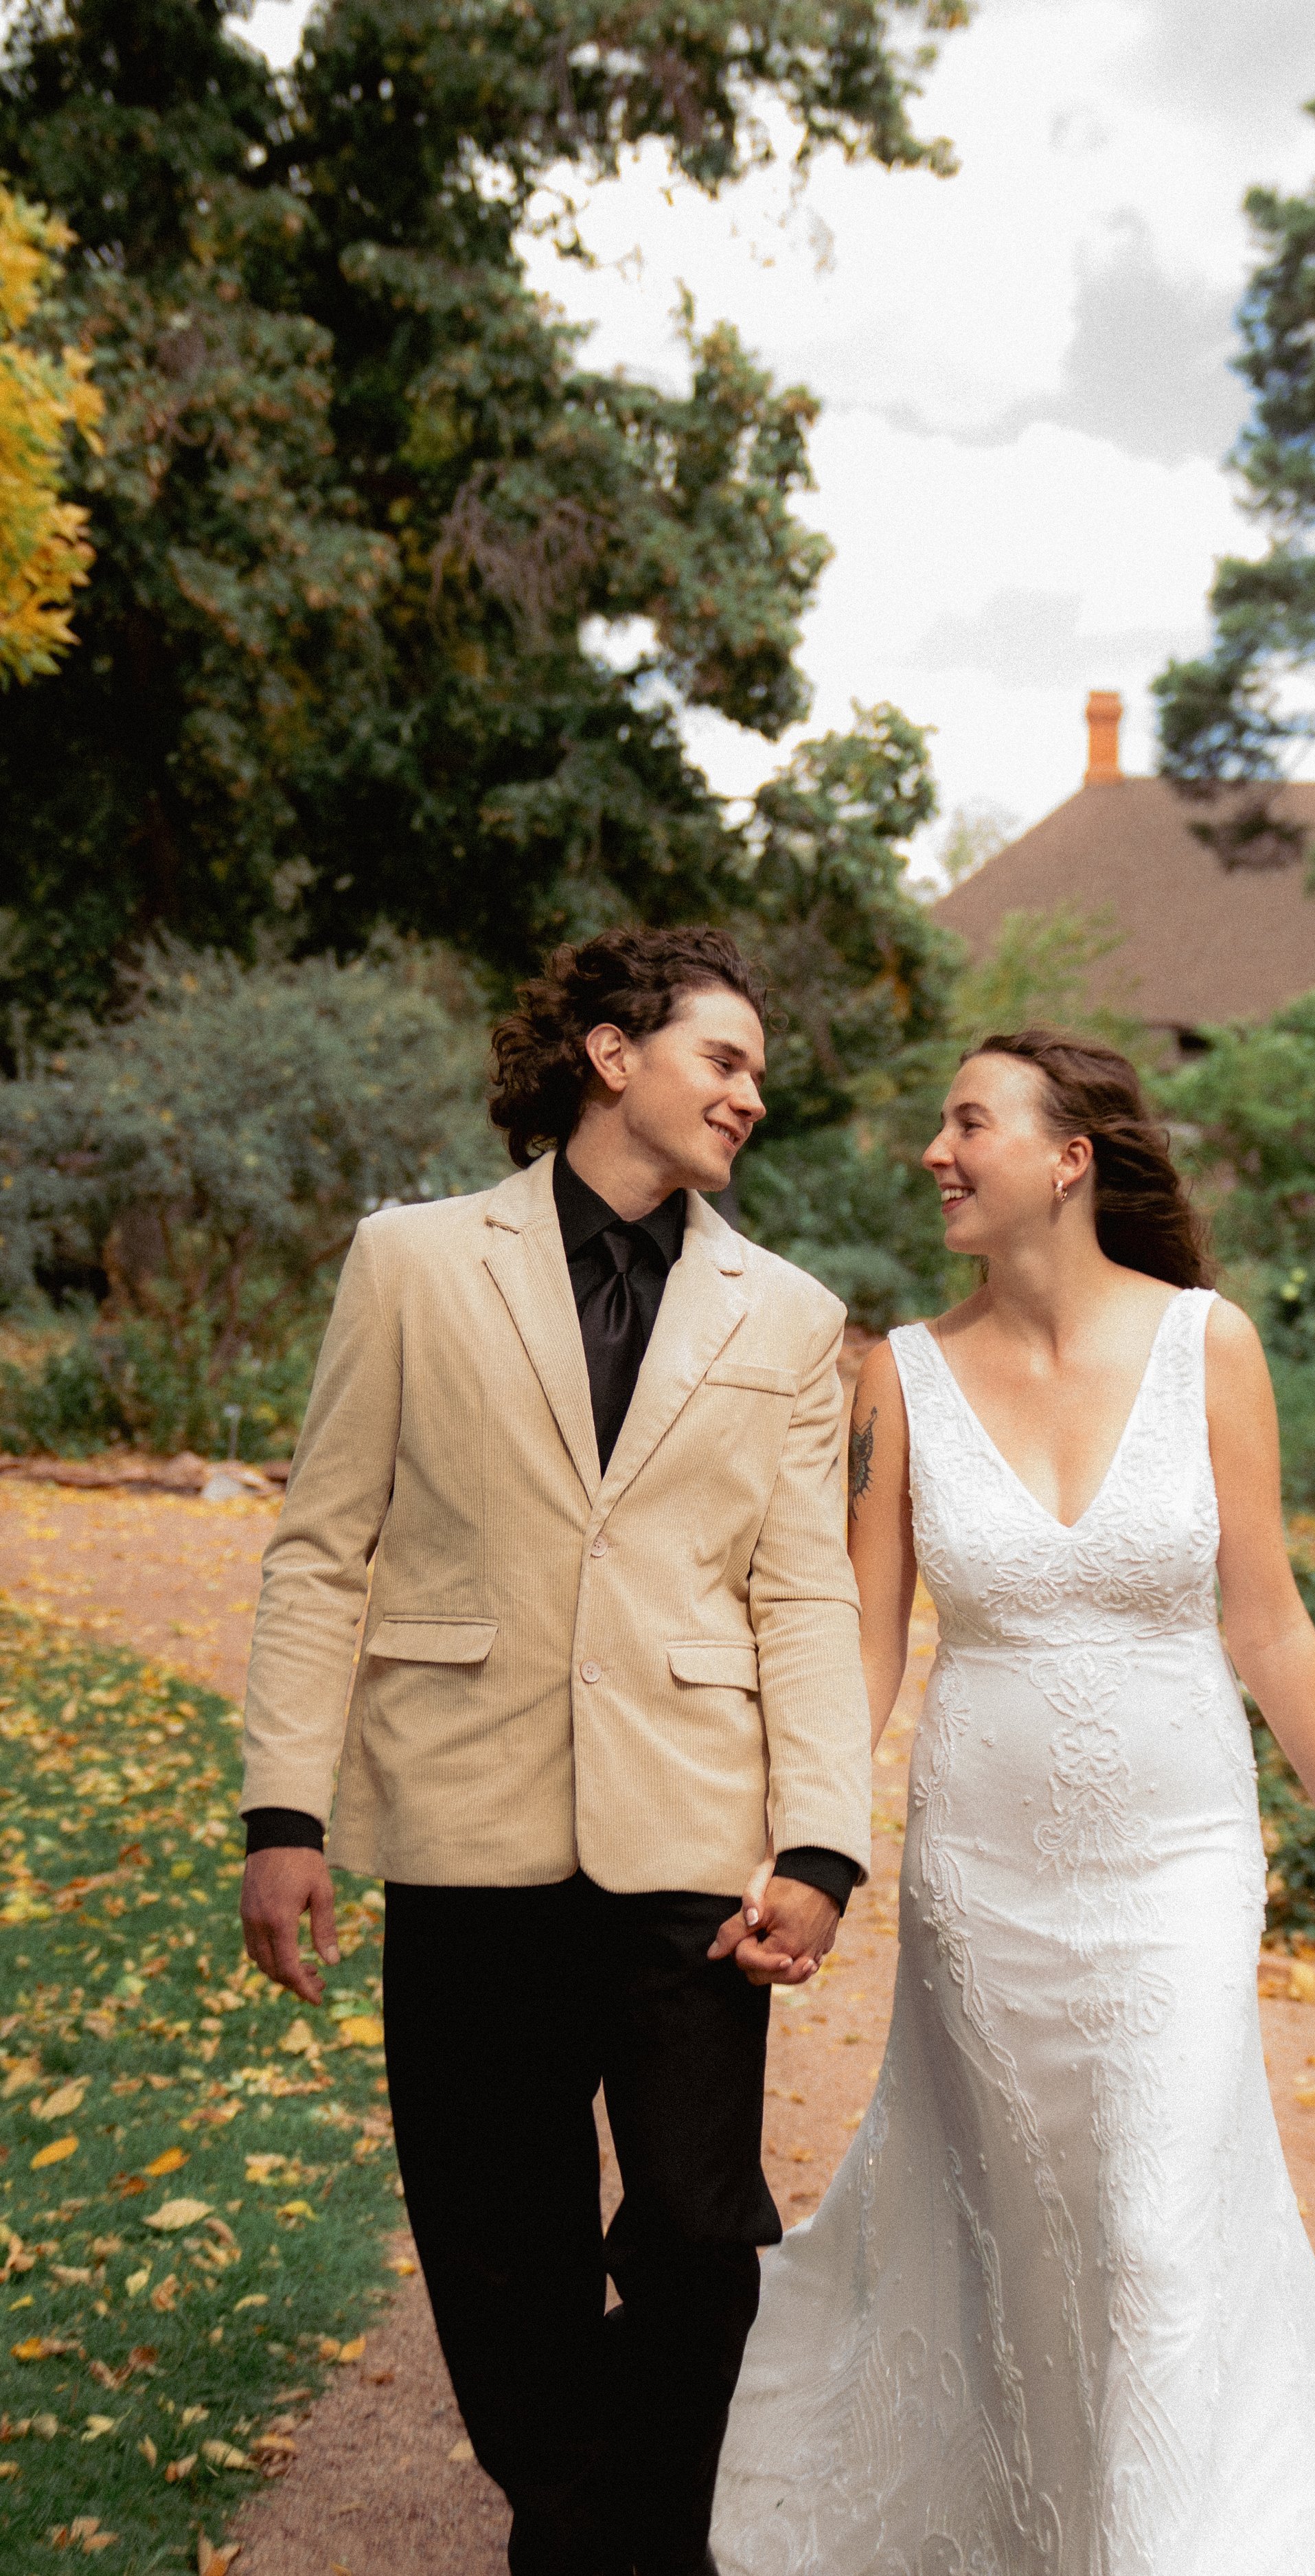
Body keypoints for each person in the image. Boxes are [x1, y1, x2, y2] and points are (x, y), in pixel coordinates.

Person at [710, 1027, 1315, 2576]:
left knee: (1148, 2230)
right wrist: (802, 1844)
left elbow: (1264, 1625)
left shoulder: (1210, 1345)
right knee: (1024, 2233)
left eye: (966, 1122)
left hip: (1175, 1869)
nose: (934, 1149)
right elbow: (868, 1649)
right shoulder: (897, 1376)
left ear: (1067, 1158)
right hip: (982, 1884)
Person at [236, 927, 873, 2576]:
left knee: (695, 2227)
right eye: (722, 1059)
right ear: (610, 1054)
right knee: (497, 2241)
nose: (751, 1092)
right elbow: (322, 1548)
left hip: (687, 1832)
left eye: (755, 1071)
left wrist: (818, 1849)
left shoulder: (790, 1316)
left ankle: (609, 2541)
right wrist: (284, 1810)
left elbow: (803, 1591)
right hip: (463, 1823)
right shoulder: (411, 1263)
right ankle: (599, 2534)